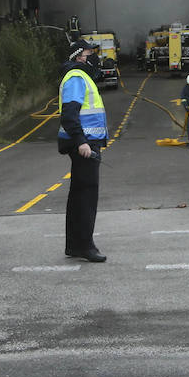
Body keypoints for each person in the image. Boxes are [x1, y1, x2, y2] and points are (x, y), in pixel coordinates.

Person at [58, 38, 109, 262]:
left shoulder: (80, 76)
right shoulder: (76, 77)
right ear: (79, 56)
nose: (94, 57)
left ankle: (74, 245)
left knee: (79, 195)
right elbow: (69, 115)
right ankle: (86, 246)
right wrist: (81, 142)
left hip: (86, 142)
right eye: (90, 53)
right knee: (87, 196)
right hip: (84, 144)